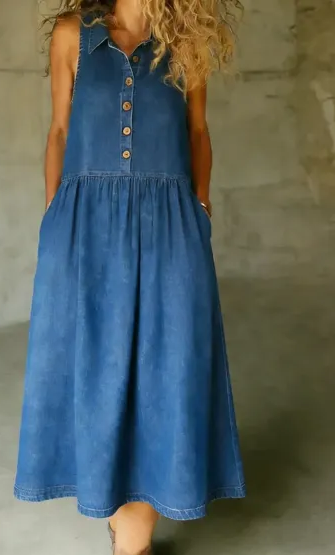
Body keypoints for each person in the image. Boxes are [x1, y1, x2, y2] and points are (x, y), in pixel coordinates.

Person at [14, 0, 246, 553]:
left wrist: (200, 210)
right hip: (84, 226)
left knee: (167, 373)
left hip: (171, 227)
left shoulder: (187, 41)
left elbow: (198, 132)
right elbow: (59, 131)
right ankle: (124, 526)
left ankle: (133, 536)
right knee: (97, 372)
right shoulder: (74, 35)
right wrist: (54, 221)